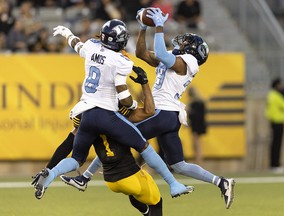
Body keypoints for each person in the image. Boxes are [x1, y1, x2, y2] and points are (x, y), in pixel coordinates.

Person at [63, 8, 236, 209]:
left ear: (193, 52)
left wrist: (160, 26)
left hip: (163, 112)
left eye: (187, 44)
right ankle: (221, 182)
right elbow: (142, 53)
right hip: (169, 117)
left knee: (116, 134)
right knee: (178, 165)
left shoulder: (187, 62)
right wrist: (144, 27)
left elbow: (161, 52)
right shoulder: (176, 59)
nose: (182, 44)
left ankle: (85, 177)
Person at [33, 18, 192, 200]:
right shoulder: (120, 60)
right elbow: (122, 94)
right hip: (105, 114)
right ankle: (173, 184)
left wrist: (67, 33)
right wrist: (132, 104)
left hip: (87, 112)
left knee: (77, 158)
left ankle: (51, 175)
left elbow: (77, 45)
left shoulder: (92, 46)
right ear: (120, 40)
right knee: (144, 146)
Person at [265, 78, 284, 173]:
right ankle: (275, 165)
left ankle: (273, 164)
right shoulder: (276, 96)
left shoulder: (270, 95)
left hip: (273, 121)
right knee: (277, 144)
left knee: (274, 143)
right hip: (278, 121)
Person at [187, 86, 207, 165]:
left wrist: (189, 112)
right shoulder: (201, 102)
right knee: (197, 144)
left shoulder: (195, 103)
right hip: (200, 124)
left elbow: (195, 115)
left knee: (196, 144)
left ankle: (199, 160)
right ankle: (198, 159)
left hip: (196, 125)